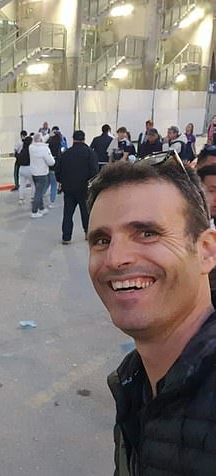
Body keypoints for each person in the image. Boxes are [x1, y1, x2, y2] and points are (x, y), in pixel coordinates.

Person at [87, 154, 216, 475]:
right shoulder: (135, 381)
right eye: (102, 240)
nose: (115, 259)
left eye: (147, 233)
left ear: (206, 251)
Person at [55, 130, 98, 244]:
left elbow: (58, 170)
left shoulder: (66, 153)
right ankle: (87, 233)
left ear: (73, 139)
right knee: (85, 212)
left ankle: (66, 237)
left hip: (68, 188)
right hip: (84, 188)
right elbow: (94, 171)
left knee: (68, 213)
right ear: (84, 139)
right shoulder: (89, 153)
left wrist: (62, 181)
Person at [29, 133, 54, 218]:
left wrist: (48, 135)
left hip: (34, 173)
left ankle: (41, 208)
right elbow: (51, 162)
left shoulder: (31, 147)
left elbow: (39, 140)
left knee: (38, 190)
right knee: (38, 193)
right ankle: (34, 211)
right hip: (42, 173)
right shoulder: (44, 149)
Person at [45, 126, 62, 208]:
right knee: (54, 185)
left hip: (47, 167)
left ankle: (40, 197)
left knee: (47, 183)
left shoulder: (49, 144)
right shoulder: (59, 144)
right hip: (55, 167)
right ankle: (52, 202)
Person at [17, 133, 34, 204]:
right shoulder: (31, 150)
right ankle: (32, 198)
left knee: (22, 185)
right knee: (33, 184)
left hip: (21, 168)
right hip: (29, 168)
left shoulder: (22, 150)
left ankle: (21, 199)